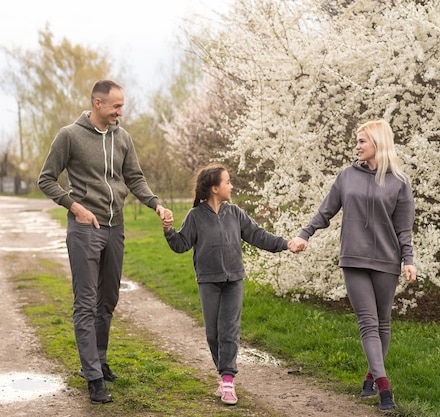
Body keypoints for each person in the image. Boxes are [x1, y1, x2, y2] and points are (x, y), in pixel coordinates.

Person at [38, 79, 172, 404]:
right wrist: (74, 206)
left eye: (122, 106)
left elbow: (134, 178)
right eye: (116, 106)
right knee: (85, 303)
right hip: (85, 228)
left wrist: (156, 204)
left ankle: (97, 360)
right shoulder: (69, 135)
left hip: (116, 227)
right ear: (97, 103)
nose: (120, 112)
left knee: (108, 300)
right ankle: (94, 378)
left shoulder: (122, 137)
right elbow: (45, 179)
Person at [291, 119, 417, 411]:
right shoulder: (346, 175)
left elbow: (404, 229)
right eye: (357, 141)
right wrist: (303, 235)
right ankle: (384, 386)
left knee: (383, 323)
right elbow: (326, 211)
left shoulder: (399, 181)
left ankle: (370, 376)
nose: (357, 146)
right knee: (368, 322)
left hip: (388, 259)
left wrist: (408, 260)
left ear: (378, 143)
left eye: (362, 141)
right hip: (354, 257)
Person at [161, 163, 297, 406]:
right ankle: (223, 375)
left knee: (229, 330)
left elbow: (258, 235)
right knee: (213, 334)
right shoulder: (195, 216)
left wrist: (285, 244)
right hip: (208, 281)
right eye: (227, 182)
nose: (231, 185)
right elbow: (181, 245)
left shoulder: (235, 213)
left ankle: (227, 379)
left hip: (234, 280)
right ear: (214, 188)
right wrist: (169, 230)